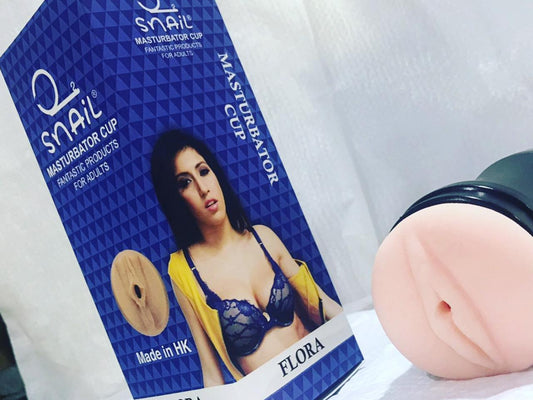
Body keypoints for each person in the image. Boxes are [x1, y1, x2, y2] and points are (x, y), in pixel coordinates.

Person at [150, 130, 342, 386]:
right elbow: (211, 372)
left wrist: (359, 339)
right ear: (175, 197)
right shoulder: (184, 270)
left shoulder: (263, 238)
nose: (203, 188)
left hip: (325, 371)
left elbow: (321, 305)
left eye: (204, 171)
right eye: (185, 182)